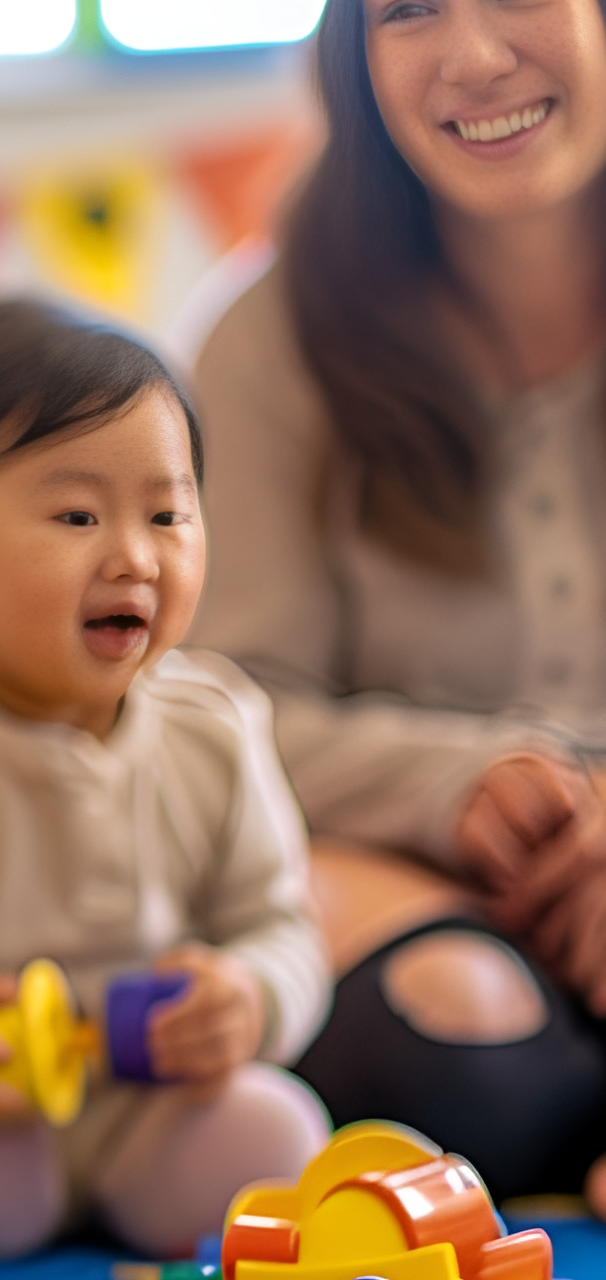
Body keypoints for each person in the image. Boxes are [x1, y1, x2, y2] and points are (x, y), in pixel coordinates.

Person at [0, 300, 331, 1260]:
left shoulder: (216, 727)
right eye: (78, 516)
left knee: (282, 1127)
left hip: (157, 1113)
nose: (134, 556)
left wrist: (249, 997)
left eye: (168, 514)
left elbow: (285, 925)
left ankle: (148, 1195)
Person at [190, 0, 606, 1205]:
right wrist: (459, 784)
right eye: (409, 10)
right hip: (402, 870)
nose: (473, 59)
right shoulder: (271, 334)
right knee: (464, 1056)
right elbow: (219, 703)